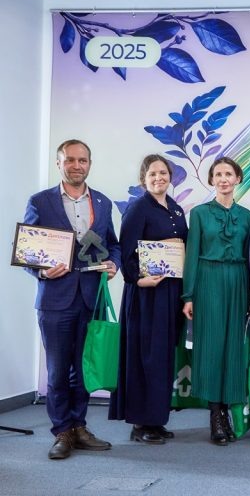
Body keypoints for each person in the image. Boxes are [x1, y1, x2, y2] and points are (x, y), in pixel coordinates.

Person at [23, 139, 120, 460]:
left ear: (89, 164)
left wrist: (114, 263)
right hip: (55, 299)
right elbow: (27, 250)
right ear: (59, 163)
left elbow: (113, 244)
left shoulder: (102, 203)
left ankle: (79, 426)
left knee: (83, 368)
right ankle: (62, 431)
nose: (76, 165)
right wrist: (41, 271)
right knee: (57, 371)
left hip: (90, 299)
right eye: (70, 160)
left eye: (82, 160)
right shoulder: (40, 201)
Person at [109, 155, 188, 444]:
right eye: (152, 173)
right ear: (144, 178)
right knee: (144, 356)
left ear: (170, 176)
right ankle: (140, 423)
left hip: (170, 293)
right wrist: (137, 278)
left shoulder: (176, 209)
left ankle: (155, 419)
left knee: (162, 357)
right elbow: (125, 250)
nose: (158, 178)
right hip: (145, 294)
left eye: (163, 173)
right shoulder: (138, 208)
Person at [182, 157, 250, 445]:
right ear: (212, 179)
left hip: (238, 281)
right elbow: (192, 254)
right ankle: (215, 414)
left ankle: (227, 411)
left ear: (238, 178)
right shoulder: (199, 213)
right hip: (208, 281)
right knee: (211, 348)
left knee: (233, 349)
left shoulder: (248, 216)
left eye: (228, 174)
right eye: (218, 174)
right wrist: (188, 295)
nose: (223, 179)